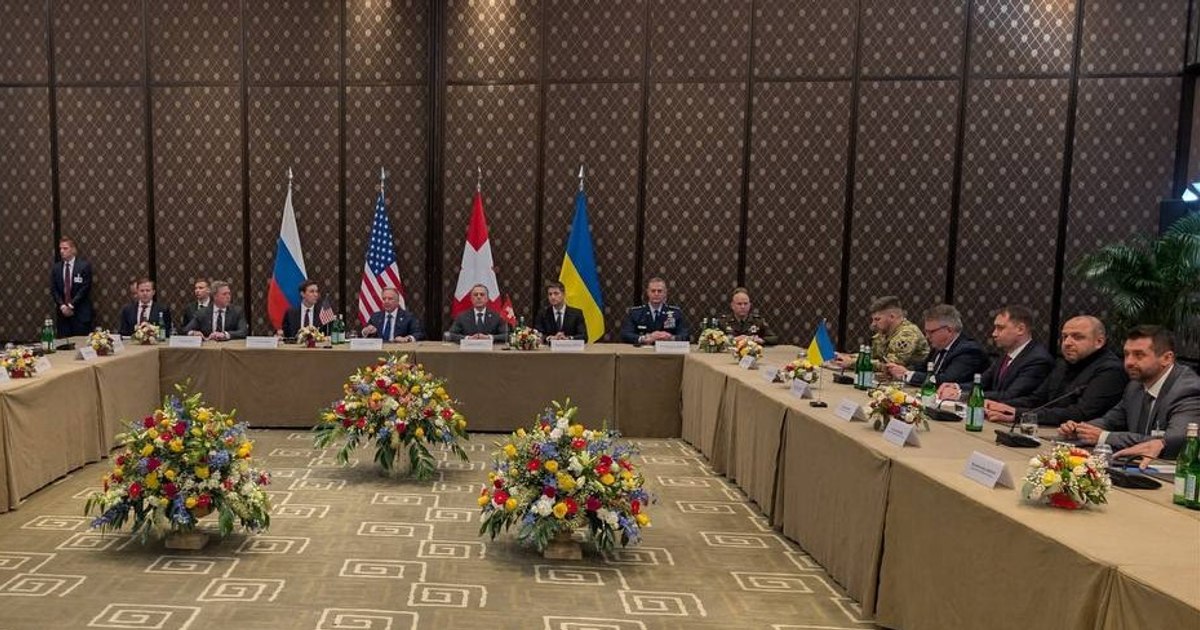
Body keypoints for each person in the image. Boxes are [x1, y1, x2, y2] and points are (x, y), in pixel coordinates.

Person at [1059, 325, 1200, 460]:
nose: (1129, 362)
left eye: (1139, 355)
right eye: (1127, 354)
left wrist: (1104, 437)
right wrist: (1081, 429)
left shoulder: (1187, 389)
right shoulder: (1135, 386)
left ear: (1167, 358)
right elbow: (1110, 421)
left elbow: (1176, 440)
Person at [985, 316, 1127, 427]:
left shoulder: (1110, 370)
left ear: (1099, 342)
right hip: (1050, 429)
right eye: (1065, 337)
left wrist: (1019, 414)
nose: (1067, 343)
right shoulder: (1063, 364)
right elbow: (1036, 399)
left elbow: (1081, 414)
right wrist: (1001, 406)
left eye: (1077, 337)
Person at [937, 305, 1053, 403]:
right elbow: (983, 382)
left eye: (1000, 328)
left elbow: (1010, 395)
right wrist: (956, 387)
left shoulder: (1038, 359)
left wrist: (960, 395)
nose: (994, 334)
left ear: (1020, 329)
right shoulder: (1007, 354)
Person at [889, 304, 989, 386]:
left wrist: (907, 374)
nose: (927, 336)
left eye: (931, 332)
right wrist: (899, 370)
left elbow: (946, 380)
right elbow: (922, 368)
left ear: (949, 330)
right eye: (926, 332)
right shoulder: (939, 346)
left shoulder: (969, 351)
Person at [831, 296, 928, 371]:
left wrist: (852, 363)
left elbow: (890, 365)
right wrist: (848, 357)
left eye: (877, 319)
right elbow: (872, 355)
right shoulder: (883, 333)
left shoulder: (907, 334)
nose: (873, 324)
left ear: (892, 317)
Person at [620, 277, 690, 345]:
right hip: (643, 351)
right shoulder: (636, 313)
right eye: (653, 291)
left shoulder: (675, 313)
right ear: (648, 292)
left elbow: (685, 335)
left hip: (667, 350)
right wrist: (644, 338)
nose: (656, 294)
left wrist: (670, 337)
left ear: (665, 293)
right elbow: (626, 334)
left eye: (659, 291)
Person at [49, 236, 94, 336]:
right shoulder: (56, 268)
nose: (62, 251)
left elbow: (85, 288)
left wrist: (71, 305)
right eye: (60, 248)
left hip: (80, 314)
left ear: (73, 250)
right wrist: (62, 306)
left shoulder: (84, 266)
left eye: (65, 248)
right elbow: (54, 289)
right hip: (63, 316)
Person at [184, 280, 248, 341]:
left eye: (229, 293)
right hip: (208, 347)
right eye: (224, 294)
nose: (228, 297)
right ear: (215, 296)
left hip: (229, 347)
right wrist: (193, 333)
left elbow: (244, 331)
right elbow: (185, 330)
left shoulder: (237, 311)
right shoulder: (202, 313)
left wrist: (225, 335)